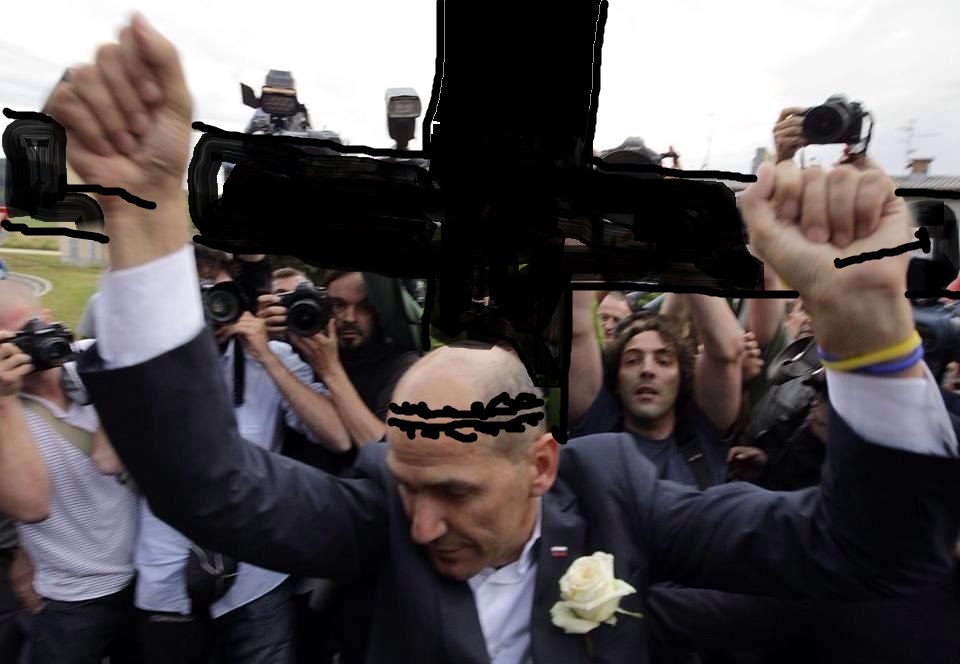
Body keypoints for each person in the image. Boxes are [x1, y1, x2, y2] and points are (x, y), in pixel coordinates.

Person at [42, 14, 960, 664]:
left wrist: (865, 331)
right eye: (411, 486)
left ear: (542, 466)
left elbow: (871, 552)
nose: (421, 526)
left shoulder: (621, 497)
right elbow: (208, 485)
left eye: (452, 491)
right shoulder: (380, 513)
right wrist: (143, 211)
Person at [0, 282, 138, 664]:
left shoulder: (97, 362)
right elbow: (31, 507)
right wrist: (5, 400)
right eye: (7, 342)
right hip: (72, 599)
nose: (23, 349)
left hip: (149, 577)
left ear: (47, 319)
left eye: (28, 330)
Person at [569, 291, 745, 488]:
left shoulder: (702, 435)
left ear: (681, 379)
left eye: (663, 361)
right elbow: (575, 325)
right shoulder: (597, 426)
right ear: (616, 380)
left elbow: (728, 350)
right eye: (632, 361)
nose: (647, 370)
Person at [258, 269, 420, 450]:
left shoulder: (403, 366)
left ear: (380, 311)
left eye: (364, 307)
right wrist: (264, 335)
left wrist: (330, 370)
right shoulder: (298, 348)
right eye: (338, 305)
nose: (349, 318)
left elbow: (384, 452)